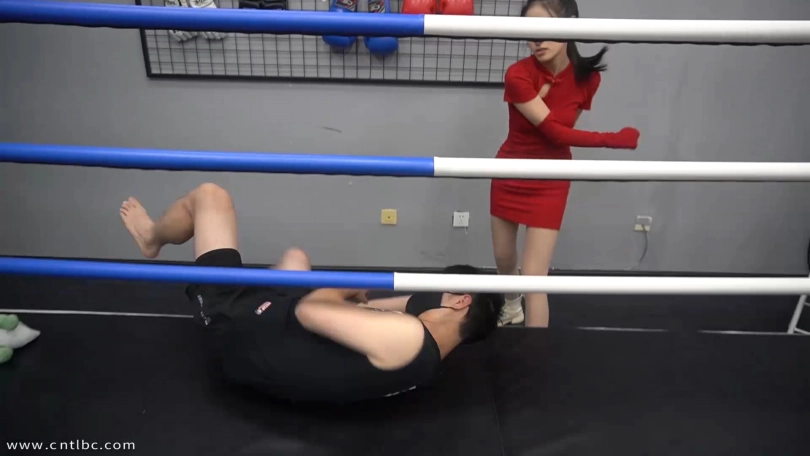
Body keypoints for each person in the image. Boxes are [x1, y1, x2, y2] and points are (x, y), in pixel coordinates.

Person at [119, 183, 504, 404]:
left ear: (460, 300)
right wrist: (358, 299)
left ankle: (152, 238)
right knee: (296, 259)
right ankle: (255, 284)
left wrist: (346, 285)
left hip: (239, 330)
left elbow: (311, 310)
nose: (427, 287)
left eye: (440, 284)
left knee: (210, 196)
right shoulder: (428, 345)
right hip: (280, 329)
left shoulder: (409, 335)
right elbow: (377, 303)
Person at [491, 0, 640, 328]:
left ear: (570, 25)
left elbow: (560, 131)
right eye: (529, 31)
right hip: (511, 169)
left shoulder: (588, 78)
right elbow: (556, 131)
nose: (536, 40)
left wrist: (545, 100)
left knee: (535, 277)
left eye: (545, 29)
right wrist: (612, 139)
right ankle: (511, 306)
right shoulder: (518, 74)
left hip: (552, 175)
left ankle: (536, 352)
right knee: (504, 257)